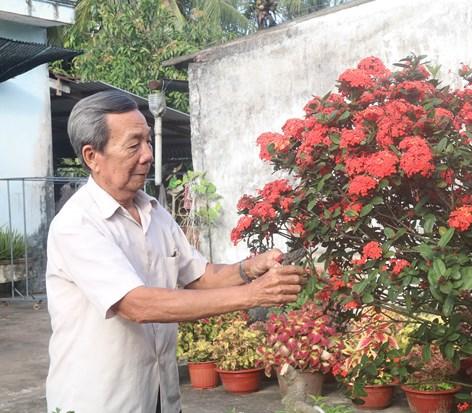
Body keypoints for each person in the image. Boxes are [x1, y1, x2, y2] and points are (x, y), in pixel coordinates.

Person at [45, 90, 306, 413]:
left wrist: (248, 269)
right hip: (99, 401)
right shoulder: (77, 224)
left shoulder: (155, 212)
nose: (147, 155)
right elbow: (135, 304)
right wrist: (255, 294)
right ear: (92, 156)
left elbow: (199, 275)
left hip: (159, 396)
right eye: (133, 144)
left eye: (147, 142)